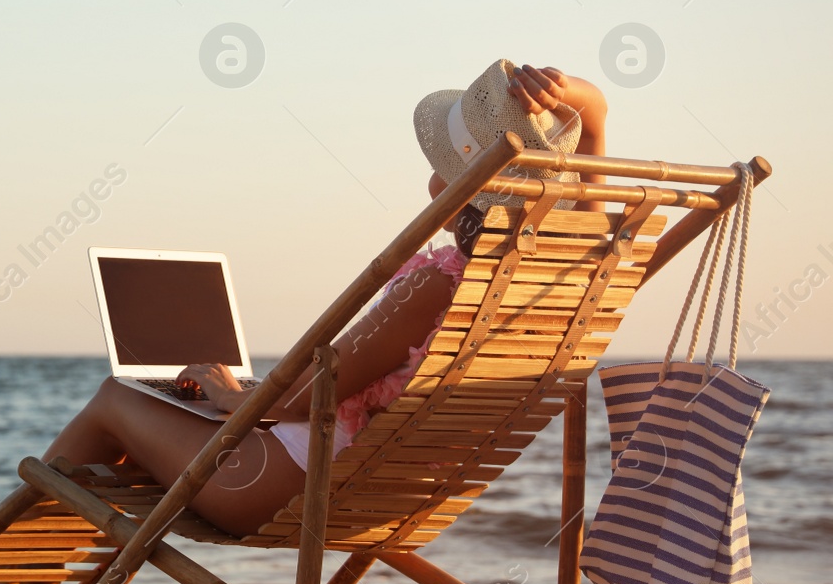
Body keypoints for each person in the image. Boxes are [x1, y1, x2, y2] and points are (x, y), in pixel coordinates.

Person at [43, 61, 609, 537]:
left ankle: (16, 579)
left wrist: (229, 393)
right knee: (153, 424)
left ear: (456, 187)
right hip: (395, 495)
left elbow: (310, 397)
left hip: (287, 487)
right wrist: (571, 98)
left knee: (114, 401)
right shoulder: (562, 280)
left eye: (443, 165)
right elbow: (597, 124)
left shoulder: (438, 286)